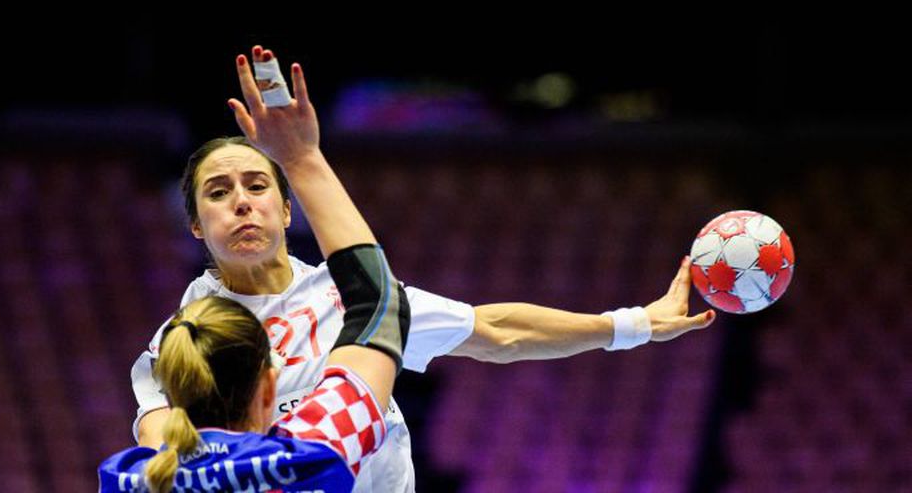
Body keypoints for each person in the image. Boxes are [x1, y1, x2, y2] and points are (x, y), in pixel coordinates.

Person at [129, 47, 715, 491]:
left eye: (257, 184)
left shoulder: (334, 296)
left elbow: (496, 332)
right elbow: (158, 443)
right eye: (218, 192)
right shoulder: (185, 340)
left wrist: (633, 323)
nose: (241, 201)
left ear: (287, 210)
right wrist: (304, 159)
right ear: (196, 226)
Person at [100, 47, 409, 492]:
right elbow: (380, 304)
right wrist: (302, 158)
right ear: (270, 389)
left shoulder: (129, 479)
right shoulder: (314, 453)